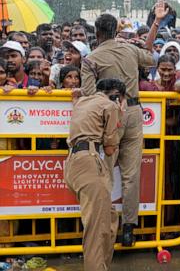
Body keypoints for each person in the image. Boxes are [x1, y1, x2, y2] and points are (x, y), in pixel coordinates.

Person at [80, 0, 167, 247]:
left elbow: (88, 93)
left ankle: (106, 226)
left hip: (110, 116)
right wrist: (156, 24)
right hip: (134, 112)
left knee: (105, 173)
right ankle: (129, 228)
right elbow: (150, 58)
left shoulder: (91, 60)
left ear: (96, 33)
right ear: (116, 30)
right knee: (131, 174)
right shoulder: (129, 49)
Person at [64, 78, 124, 271]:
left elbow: (78, 98)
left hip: (73, 163)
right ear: (116, 96)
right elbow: (109, 149)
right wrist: (119, 116)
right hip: (89, 162)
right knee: (97, 229)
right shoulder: (110, 106)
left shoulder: (82, 101)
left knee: (110, 218)